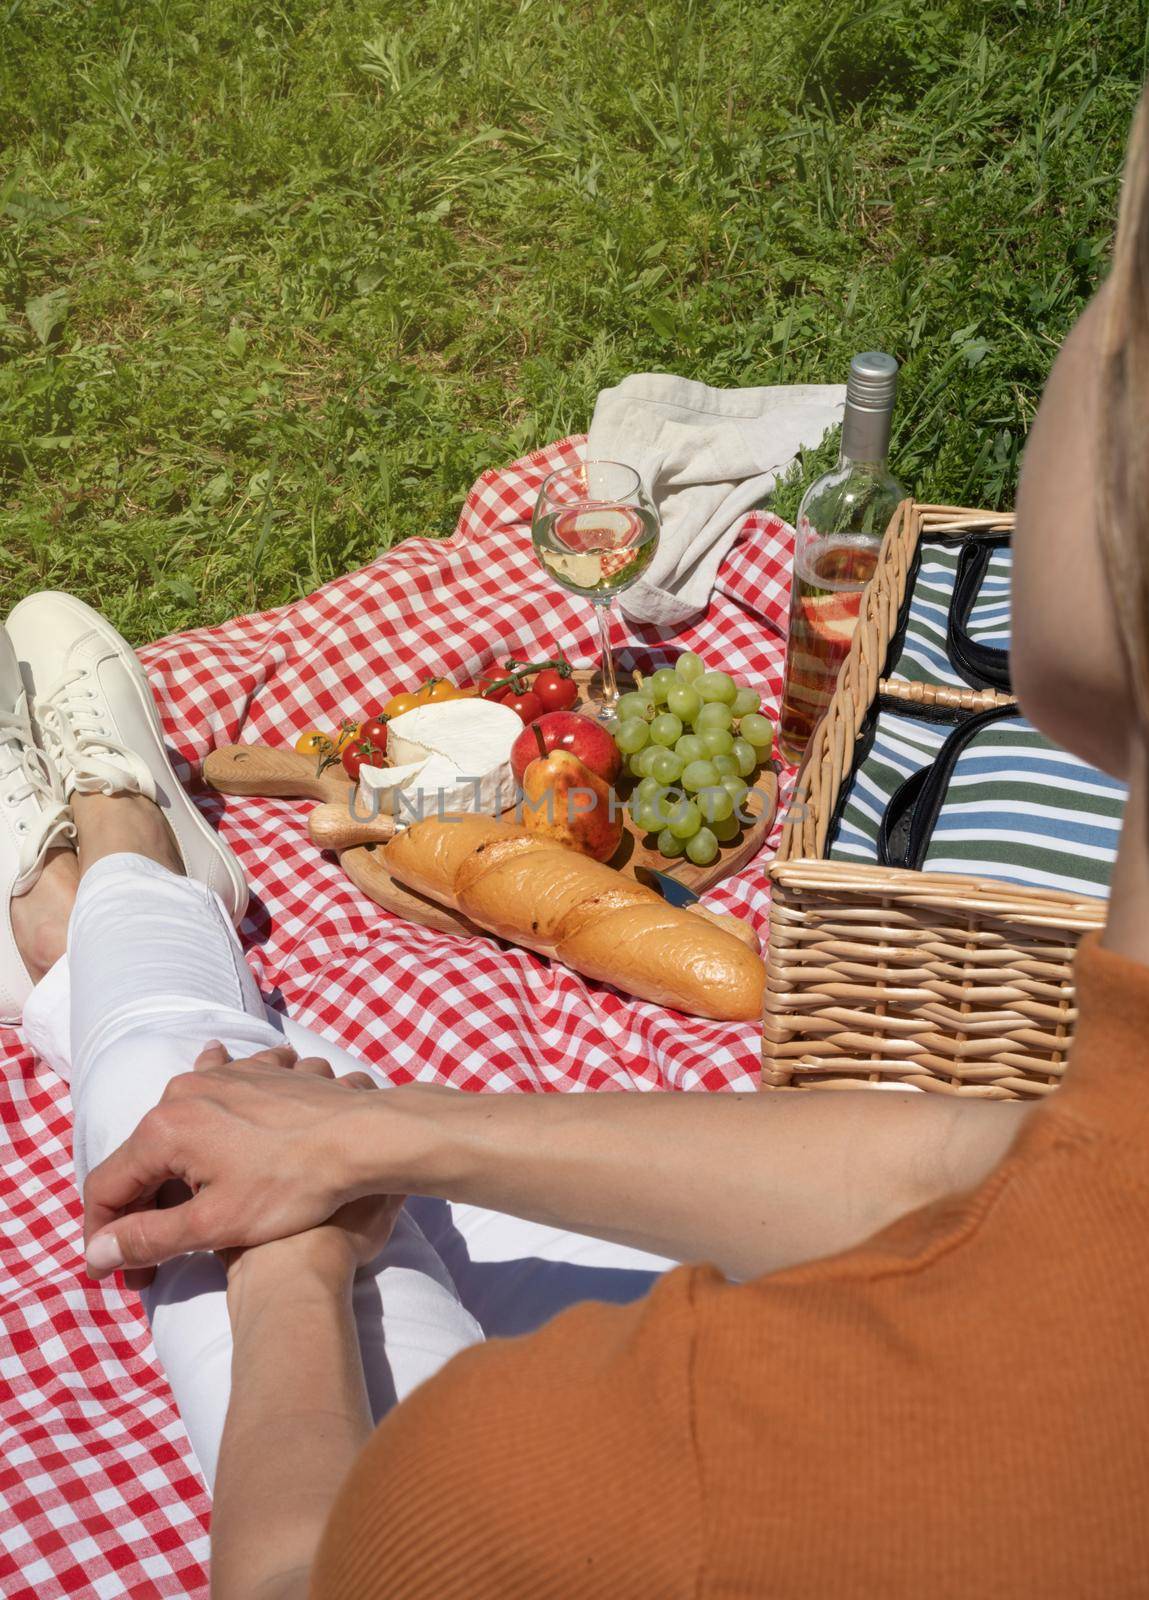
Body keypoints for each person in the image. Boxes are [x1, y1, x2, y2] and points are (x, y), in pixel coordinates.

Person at [10, 80, 1149, 1596]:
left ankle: (115, 877)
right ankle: (104, 903)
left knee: (279, 1238)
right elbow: (968, 1166)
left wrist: (294, 1276)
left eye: (1109, 300)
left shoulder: (636, 1466)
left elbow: (296, 1572)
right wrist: (402, 1128)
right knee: (285, 1143)